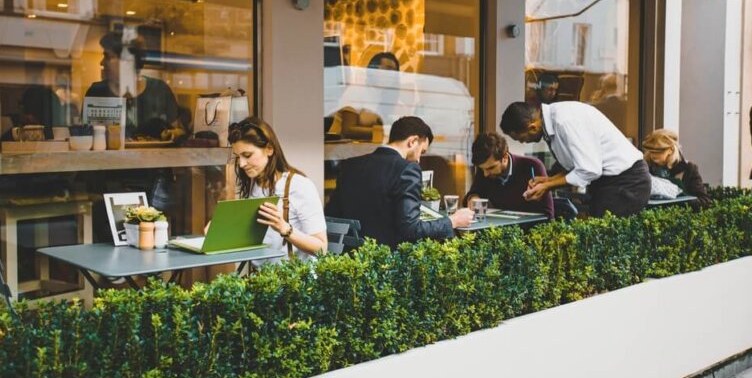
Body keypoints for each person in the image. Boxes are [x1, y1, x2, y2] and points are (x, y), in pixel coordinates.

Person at [326, 116, 474, 250]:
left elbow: (332, 214)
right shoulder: (407, 169)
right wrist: (452, 221)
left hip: (350, 261)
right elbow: (411, 229)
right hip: (388, 263)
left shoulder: (351, 165)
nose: (418, 160)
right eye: (421, 152)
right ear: (412, 141)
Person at [500, 101, 651, 217]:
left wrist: (548, 185)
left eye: (519, 138)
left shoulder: (565, 121)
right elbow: (576, 168)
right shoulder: (552, 122)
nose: (522, 142)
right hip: (611, 182)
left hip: (626, 182)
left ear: (532, 127)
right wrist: (547, 181)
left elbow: (590, 169)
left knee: (602, 245)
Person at [225, 117, 327, 261]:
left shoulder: (299, 186)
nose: (241, 164)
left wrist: (284, 228)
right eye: (238, 157)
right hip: (261, 279)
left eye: (247, 155)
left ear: (269, 149)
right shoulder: (252, 185)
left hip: (294, 281)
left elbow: (322, 249)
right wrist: (221, 231)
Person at [85, 32, 184, 140]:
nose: (101, 63)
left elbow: (177, 134)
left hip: (154, 156)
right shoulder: (97, 92)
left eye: (108, 57)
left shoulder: (159, 90)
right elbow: (86, 135)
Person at [463, 132, 554, 219]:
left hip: (529, 230)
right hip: (498, 228)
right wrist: (473, 197)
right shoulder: (485, 169)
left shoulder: (532, 166)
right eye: (482, 169)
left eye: (491, 168)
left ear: (505, 158)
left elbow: (548, 214)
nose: (485, 174)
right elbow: (473, 193)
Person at [641, 129, 711, 208]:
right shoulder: (644, 168)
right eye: (651, 151)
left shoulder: (689, 168)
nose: (654, 155)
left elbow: (705, 201)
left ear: (670, 150)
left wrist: (681, 202)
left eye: (659, 151)